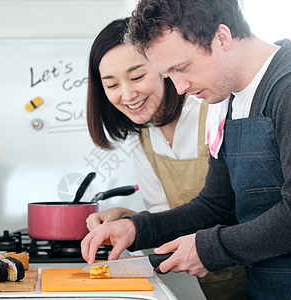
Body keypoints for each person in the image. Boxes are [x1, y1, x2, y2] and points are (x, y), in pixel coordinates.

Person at [81, 0, 291, 299]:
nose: (178, 88)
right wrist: (137, 229)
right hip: (270, 288)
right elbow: (215, 206)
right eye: (169, 74)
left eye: (181, 68)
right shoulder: (228, 100)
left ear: (221, 37)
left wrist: (208, 249)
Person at [85, 18, 247, 299]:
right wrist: (129, 220)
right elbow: (169, 216)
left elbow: (229, 207)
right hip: (208, 280)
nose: (127, 94)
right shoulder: (143, 137)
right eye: (111, 85)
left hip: (252, 267)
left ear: (163, 69)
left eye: (136, 77)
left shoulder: (211, 111)